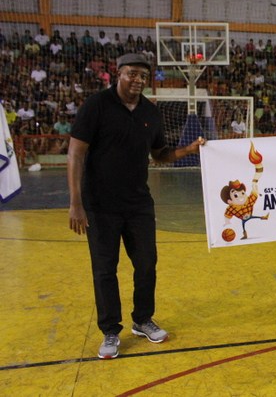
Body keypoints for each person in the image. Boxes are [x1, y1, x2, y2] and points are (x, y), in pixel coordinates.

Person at [67, 53, 205, 360]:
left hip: (139, 203)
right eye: (132, 74)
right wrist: (76, 203)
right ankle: (110, 331)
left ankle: (142, 319)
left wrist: (189, 150)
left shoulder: (150, 113)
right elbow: (76, 153)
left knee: (146, 263)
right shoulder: (97, 106)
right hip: (99, 205)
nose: (138, 80)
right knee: (105, 269)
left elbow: (160, 155)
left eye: (143, 75)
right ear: (118, 74)